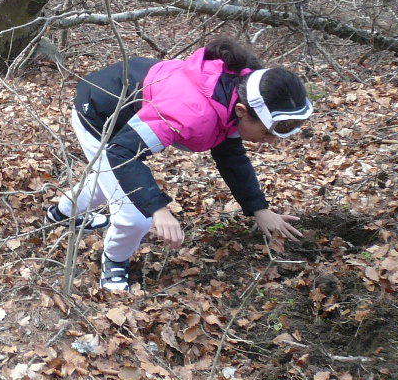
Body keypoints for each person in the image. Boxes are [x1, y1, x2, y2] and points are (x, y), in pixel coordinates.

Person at [47, 38, 314, 292]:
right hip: (98, 114)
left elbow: (231, 158)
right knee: (136, 216)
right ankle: (115, 260)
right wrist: (158, 209)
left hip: (128, 104)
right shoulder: (192, 112)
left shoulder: (238, 93)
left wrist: (258, 208)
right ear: (243, 112)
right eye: (267, 132)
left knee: (110, 182)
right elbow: (123, 153)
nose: (271, 141)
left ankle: (61, 214)